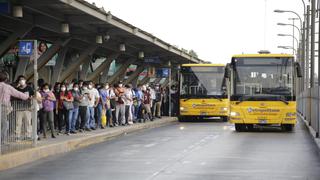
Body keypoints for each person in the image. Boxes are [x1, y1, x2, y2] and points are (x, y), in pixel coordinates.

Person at [0, 71, 29, 142]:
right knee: (4, 124)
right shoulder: (7, 87)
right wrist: (27, 95)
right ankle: (2, 140)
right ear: (6, 79)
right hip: (3, 107)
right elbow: (19, 94)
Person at [14, 75, 34, 140]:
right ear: (18, 81)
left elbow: (33, 96)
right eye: (20, 79)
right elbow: (14, 96)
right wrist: (16, 87)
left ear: (25, 80)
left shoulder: (29, 88)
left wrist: (31, 99)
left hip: (27, 108)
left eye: (23, 79)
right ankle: (17, 136)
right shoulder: (17, 88)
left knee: (28, 122)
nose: (21, 80)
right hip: (19, 108)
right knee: (18, 123)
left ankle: (28, 135)